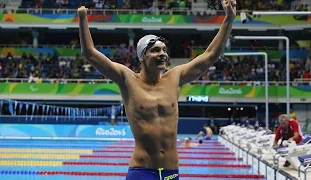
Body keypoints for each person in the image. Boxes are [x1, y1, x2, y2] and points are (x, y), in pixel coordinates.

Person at [77, 0, 236, 178]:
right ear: (142, 56)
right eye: (155, 50)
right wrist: (83, 18)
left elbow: (210, 56)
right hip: (141, 170)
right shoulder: (127, 80)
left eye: (164, 50)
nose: (162, 54)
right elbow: (89, 53)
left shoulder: (175, 78)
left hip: (170, 172)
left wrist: (229, 18)